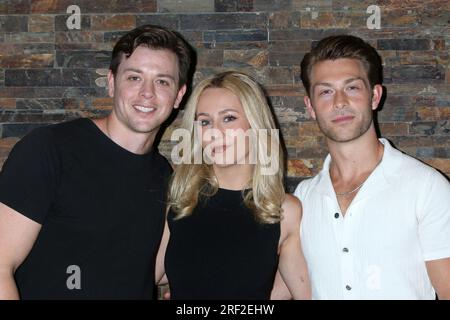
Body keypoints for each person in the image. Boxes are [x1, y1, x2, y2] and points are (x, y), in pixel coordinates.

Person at [0, 24, 192, 299]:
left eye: (162, 81)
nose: (147, 93)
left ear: (179, 95)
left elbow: (150, 271)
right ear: (112, 82)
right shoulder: (49, 149)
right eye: (134, 78)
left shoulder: (165, 176)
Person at [273, 35, 450, 299]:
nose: (340, 101)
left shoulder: (425, 187)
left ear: (375, 96)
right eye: (325, 91)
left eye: (352, 88)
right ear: (310, 106)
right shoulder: (303, 199)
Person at [154, 71, 311, 300]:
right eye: (205, 122)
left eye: (228, 118)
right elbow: (148, 277)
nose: (215, 132)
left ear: (254, 124)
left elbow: (303, 293)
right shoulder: (182, 201)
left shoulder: (284, 210)